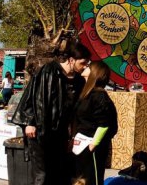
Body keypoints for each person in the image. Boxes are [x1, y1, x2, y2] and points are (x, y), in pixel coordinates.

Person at [12, 38, 91, 185]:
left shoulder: (79, 81)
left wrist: (72, 135)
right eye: (82, 63)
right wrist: (30, 122)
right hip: (40, 130)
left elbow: (74, 111)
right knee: (42, 174)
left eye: (87, 64)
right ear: (71, 60)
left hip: (59, 133)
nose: (84, 67)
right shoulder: (48, 71)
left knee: (58, 173)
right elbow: (34, 98)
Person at [73, 61, 119, 185]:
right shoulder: (86, 93)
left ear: (95, 73)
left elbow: (104, 125)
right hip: (79, 144)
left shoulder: (99, 96)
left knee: (92, 179)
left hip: (91, 145)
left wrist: (93, 145)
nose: (85, 67)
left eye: (88, 66)